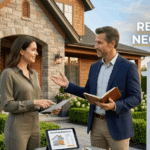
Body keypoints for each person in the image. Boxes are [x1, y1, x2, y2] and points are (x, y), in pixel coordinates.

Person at [51, 26, 141, 150]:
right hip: (96, 124)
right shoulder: (94, 67)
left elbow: (136, 97)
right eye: (95, 42)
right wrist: (68, 85)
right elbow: (87, 92)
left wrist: (115, 106)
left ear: (112, 44)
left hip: (118, 126)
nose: (95, 46)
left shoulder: (128, 67)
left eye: (99, 43)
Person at [0, 35, 61, 150]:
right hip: (17, 128)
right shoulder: (8, 73)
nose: (36, 53)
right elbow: (7, 105)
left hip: (35, 127)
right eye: (33, 50)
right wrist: (34, 102)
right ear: (21, 51)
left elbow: (36, 103)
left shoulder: (34, 74)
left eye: (36, 50)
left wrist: (49, 109)